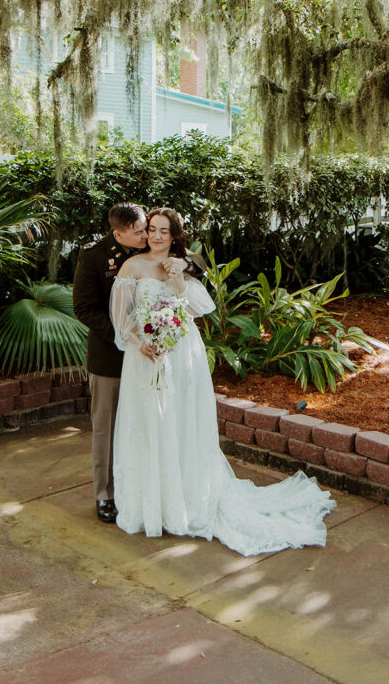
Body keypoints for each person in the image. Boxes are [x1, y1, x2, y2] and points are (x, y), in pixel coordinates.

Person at [110, 207, 335, 557]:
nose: (155, 236)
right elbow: (121, 318)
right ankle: (153, 505)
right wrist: (141, 344)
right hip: (146, 359)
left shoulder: (185, 264)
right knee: (149, 424)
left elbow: (202, 308)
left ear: (174, 235)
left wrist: (180, 277)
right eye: (151, 229)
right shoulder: (131, 267)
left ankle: (186, 499)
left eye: (163, 231)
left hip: (183, 355)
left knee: (182, 423)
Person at [73, 202, 205, 523]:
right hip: (112, 355)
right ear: (119, 234)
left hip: (157, 356)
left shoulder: (158, 250)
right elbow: (85, 309)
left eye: (148, 228)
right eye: (139, 232)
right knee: (107, 426)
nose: (147, 235)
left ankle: (147, 488)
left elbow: (196, 265)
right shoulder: (92, 257)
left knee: (150, 423)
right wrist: (131, 338)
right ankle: (105, 494)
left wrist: (180, 262)